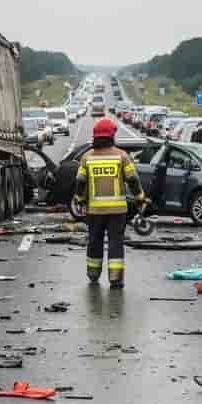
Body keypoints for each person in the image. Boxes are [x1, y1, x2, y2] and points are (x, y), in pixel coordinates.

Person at [75, 118, 146, 288]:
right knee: (116, 243)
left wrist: (80, 199)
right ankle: (115, 278)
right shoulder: (121, 156)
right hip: (117, 211)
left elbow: (80, 181)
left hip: (94, 212)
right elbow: (133, 179)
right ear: (112, 136)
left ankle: (93, 274)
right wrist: (140, 197)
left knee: (94, 242)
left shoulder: (87, 157)